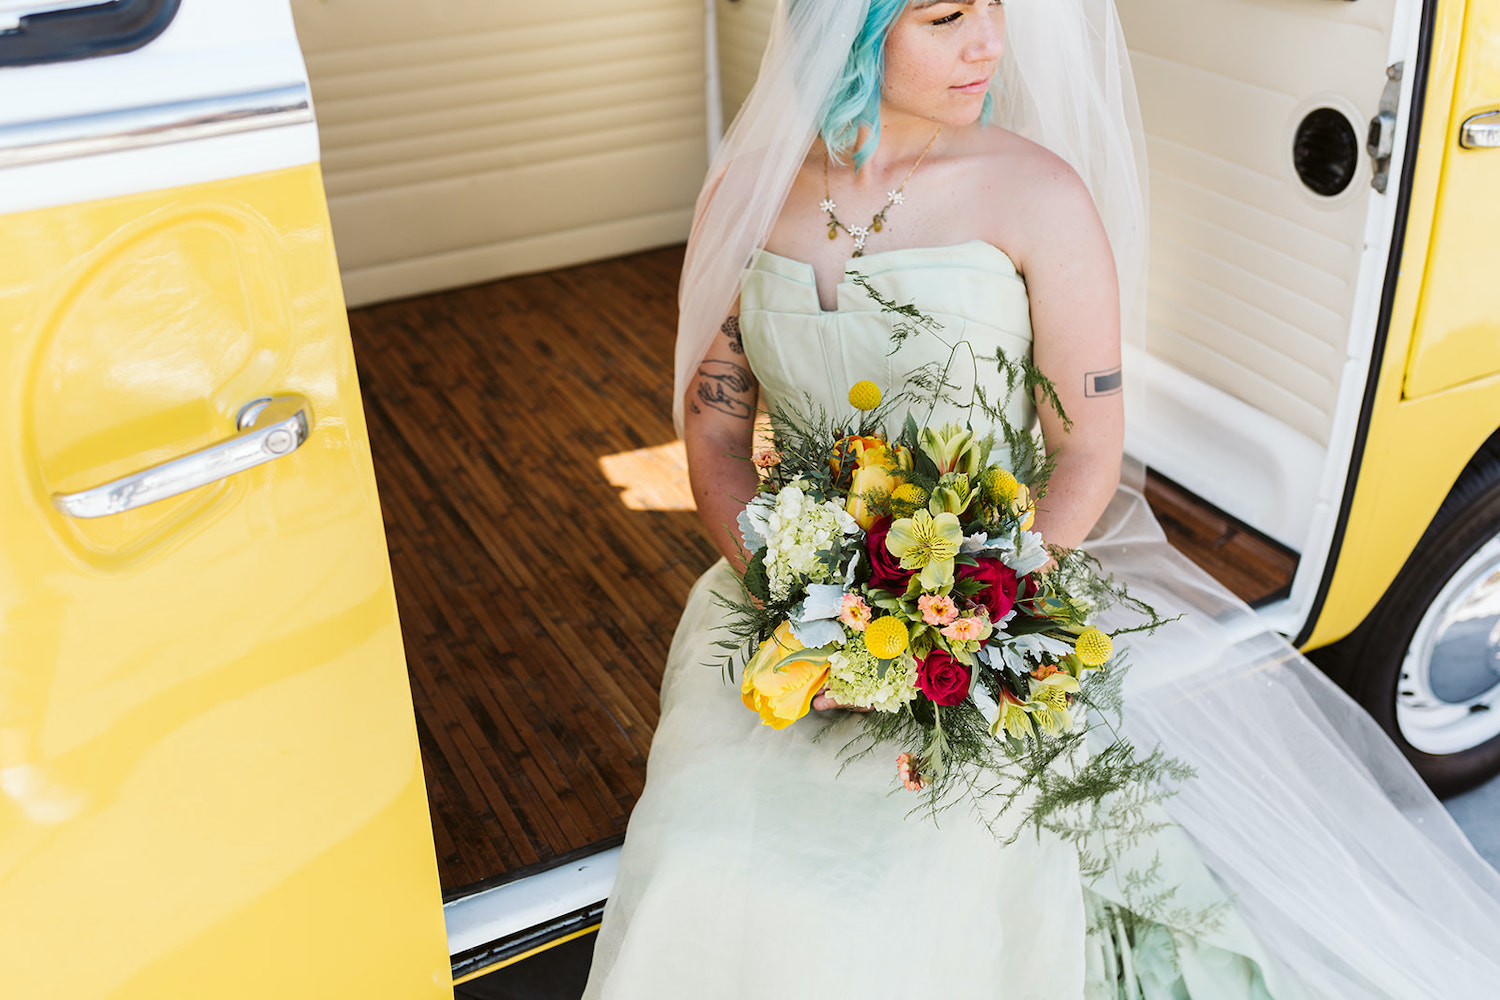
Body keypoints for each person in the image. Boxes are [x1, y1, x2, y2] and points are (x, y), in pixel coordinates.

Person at [584, 1, 1500, 997]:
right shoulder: (745, 194)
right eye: (944, 17)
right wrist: (783, 584)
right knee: (704, 860)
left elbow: (1087, 448)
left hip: (990, 613)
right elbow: (716, 426)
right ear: (847, 29)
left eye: (994, 9)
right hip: (772, 605)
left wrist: (975, 612)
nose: (990, 44)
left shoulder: (1036, 195)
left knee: (912, 887)